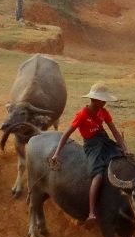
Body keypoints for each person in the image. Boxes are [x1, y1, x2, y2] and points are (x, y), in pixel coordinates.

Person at [49, 83, 128, 221]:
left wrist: (124, 148)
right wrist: (56, 153)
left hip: (103, 139)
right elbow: (66, 134)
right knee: (97, 175)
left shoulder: (103, 112)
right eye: (102, 100)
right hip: (92, 146)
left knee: (121, 157)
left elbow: (114, 131)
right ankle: (92, 212)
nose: (104, 103)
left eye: (105, 100)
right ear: (94, 100)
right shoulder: (82, 115)